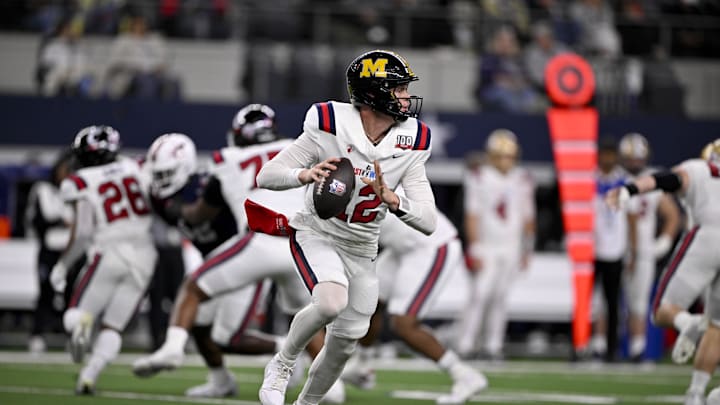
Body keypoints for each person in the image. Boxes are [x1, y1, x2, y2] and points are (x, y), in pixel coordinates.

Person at [253, 50, 445, 405]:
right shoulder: (328, 121)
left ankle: (306, 403)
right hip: (318, 232)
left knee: (345, 344)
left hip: (362, 249)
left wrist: (394, 200)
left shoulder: (413, 140)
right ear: (374, 92)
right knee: (330, 301)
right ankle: (281, 364)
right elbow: (266, 175)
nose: (406, 97)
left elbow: (429, 221)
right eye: (399, 88)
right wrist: (304, 175)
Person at [131, 106, 344, 402]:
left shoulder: (226, 159)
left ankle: (172, 349)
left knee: (194, 286)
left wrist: (174, 209)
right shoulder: (301, 148)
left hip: (259, 240)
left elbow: (197, 214)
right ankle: (331, 386)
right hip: (302, 243)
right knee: (305, 317)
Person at [606, 139, 720, 405]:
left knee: (662, 309)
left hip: (706, 237)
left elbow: (664, 180)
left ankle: (687, 323)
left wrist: (629, 189)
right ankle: (695, 392)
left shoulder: (698, 169)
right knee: (716, 327)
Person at [49, 125, 157, 394]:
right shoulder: (138, 167)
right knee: (114, 327)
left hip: (108, 252)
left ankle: (83, 325)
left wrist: (63, 265)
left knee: (75, 315)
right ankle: (89, 375)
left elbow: (84, 231)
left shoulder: (80, 180)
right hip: (145, 255)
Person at [342, 204, 487, 396]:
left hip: (431, 245)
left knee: (403, 324)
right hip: (402, 247)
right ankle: (361, 363)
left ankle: (464, 375)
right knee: (367, 300)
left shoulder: (356, 182)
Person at [455, 129, 535, 361]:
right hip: (487, 245)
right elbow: (472, 215)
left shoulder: (523, 178)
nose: (505, 161)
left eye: (509, 156)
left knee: (501, 296)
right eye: (500, 155)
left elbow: (528, 216)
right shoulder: (479, 176)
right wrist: (475, 246)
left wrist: (528, 247)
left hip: (511, 246)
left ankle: (493, 345)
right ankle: (466, 343)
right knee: (480, 294)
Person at [617, 132, 681, 361]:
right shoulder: (614, 177)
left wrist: (662, 243)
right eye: (630, 157)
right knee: (606, 303)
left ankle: (637, 348)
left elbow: (673, 215)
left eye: (638, 158)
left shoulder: (652, 179)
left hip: (642, 250)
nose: (635, 162)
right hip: (615, 249)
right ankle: (602, 348)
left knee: (638, 302)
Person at [590, 137, 638, 362]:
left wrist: (633, 250)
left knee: (613, 302)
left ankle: (611, 348)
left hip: (616, 249)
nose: (606, 159)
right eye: (604, 154)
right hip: (591, 248)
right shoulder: (590, 179)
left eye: (610, 155)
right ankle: (588, 344)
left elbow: (632, 219)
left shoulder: (625, 181)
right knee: (589, 301)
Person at [24, 149, 75, 354]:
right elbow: (36, 220)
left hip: (70, 251)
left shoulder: (75, 192)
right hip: (49, 249)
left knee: (72, 295)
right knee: (46, 292)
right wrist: (59, 221)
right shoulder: (43, 189)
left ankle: (70, 336)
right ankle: (37, 334)